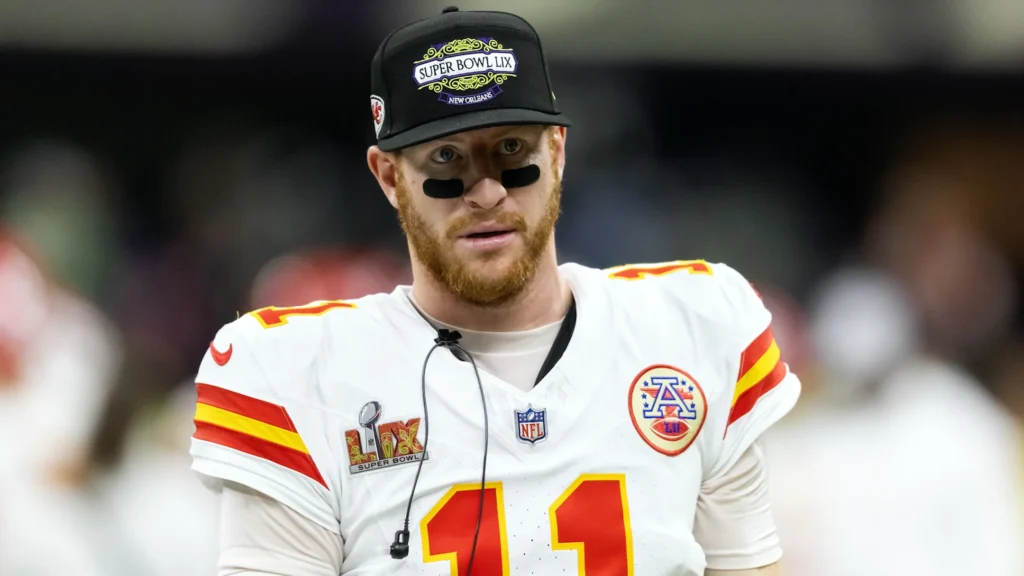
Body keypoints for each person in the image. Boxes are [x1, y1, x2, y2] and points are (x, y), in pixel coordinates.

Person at [190, 7, 801, 575]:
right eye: (447, 160)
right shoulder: (298, 374)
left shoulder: (695, 327)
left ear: (557, 154)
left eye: (512, 151)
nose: (485, 193)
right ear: (389, 178)